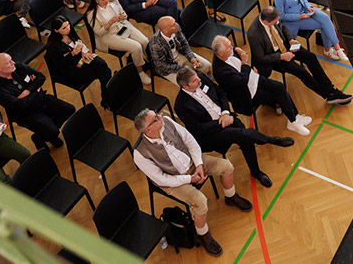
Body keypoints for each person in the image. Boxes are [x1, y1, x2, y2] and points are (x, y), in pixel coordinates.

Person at [130, 108, 250, 256]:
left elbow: (190, 140)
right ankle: (203, 234)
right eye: (155, 118)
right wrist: (189, 179)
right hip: (173, 181)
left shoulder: (166, 121)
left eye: (157, 114)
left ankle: (230, 197)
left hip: (193, 163)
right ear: (148, 130)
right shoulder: (139, 154)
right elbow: (161, 178)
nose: (160, 117)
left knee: (227, 166)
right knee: (200, 201)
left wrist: (199, 164)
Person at [175, 67, 295, 189]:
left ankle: (256, 171)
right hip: (210, 135)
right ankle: (271, 140)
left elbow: (220, 91)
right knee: (241, 134)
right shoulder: (181, 106)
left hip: (226, 117)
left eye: (197, 77)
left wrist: (226, 112)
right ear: (186, 87)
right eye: (195, 81)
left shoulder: (201, 78)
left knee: (244, 136)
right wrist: (221, 123)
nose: (199, 80)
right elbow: (198, 129)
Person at [247, 4, 352, 103]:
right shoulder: (254, 34)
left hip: (285, 45)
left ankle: (330, 89)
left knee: (311, 57)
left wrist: (291, 39)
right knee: (302, 72)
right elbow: (260, 58)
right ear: (266, 22)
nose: (278, 22)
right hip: (274, 57)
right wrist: (281, 56)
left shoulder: (271, 17)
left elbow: (283, 28)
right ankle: (328, 96)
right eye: (275, 21)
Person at [211, 35, 312, 136]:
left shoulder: (225, 51)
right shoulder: (220, 71)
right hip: (247, 94)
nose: (232, 47)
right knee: (277, 94)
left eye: (230, 44)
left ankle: (294, 117)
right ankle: (293, 121)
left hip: (253, 79)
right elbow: (242, 81)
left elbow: (232, 46)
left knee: (280, 86)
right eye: (229, 47)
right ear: (221, 53)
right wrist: (244, 61)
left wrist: (238, 49)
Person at [0, 52, 75, 150]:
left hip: (42, 99)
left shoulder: (19, 67)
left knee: (70, 110)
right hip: (27, 114)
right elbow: (21, 105)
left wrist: (28, 91)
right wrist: (36, 89)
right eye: (8, 62)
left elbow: (41, 77)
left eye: (11, 59)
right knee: (54, 132)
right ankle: (47, 133)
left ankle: (40, 135)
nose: (13, 62)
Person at [275, 0, 349, 61]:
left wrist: (308, 6)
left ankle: (336, 49)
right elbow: (282, 16)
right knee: (324, 24)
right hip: (295, 20)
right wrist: (300, 16)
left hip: (305, 10)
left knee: (325, 18)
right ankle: (328, 50)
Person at [45, 15, 112, 104]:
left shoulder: (70, 32)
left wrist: (83, 52)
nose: (68, 28)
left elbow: (79, 42)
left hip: (79, 61)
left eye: (68, 25)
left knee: (102, 66)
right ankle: (109, 95)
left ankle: (108, 97)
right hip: (71, 71)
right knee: (103, 69)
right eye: (64, 28)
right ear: (56, 30)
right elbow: (62, 65)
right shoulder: (53, 46)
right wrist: (72, 54)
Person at [89, 0, 150, 79]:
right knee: (136, 47)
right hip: (109, 35)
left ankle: (151, 62)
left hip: (122, 25)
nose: (107, 0)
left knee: (144, 41)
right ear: (96, 1)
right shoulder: (91, 14)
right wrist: (110, 23)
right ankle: (140, 72)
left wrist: (123, 16)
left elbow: (122, 13)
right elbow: (99, 32)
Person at [148, 15, 212, 81]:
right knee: (189, 81)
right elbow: (162, 66)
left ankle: (206, 81)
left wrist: (191, 57)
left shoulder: (176, 28)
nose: (176, 25)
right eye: (173, 24)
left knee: (207, 66)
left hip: (180, 54)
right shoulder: (155, 44)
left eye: (175, 22)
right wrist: (182, 68)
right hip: (169, 67)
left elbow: (184, 44)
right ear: (166, 31)